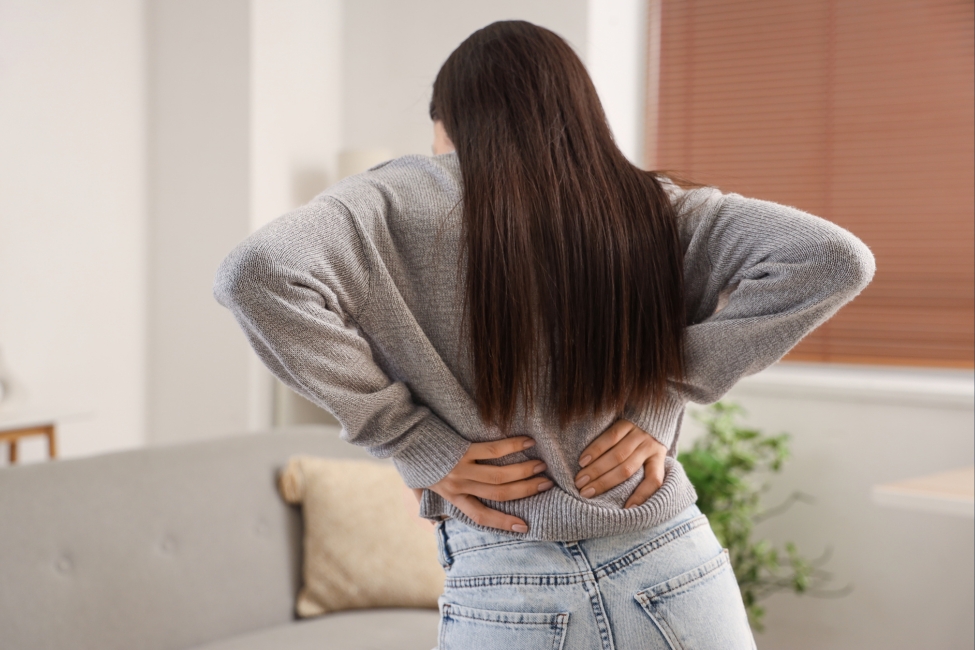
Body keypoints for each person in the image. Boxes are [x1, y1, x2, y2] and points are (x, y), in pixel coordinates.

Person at [214, 20, 874, 650]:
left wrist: (408, 438)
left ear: (446, 124)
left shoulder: (385, 202)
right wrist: (666, 388)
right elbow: (833, 258)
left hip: (514, 578)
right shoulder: (653, 206)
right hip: (674, 563)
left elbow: (254, 274)